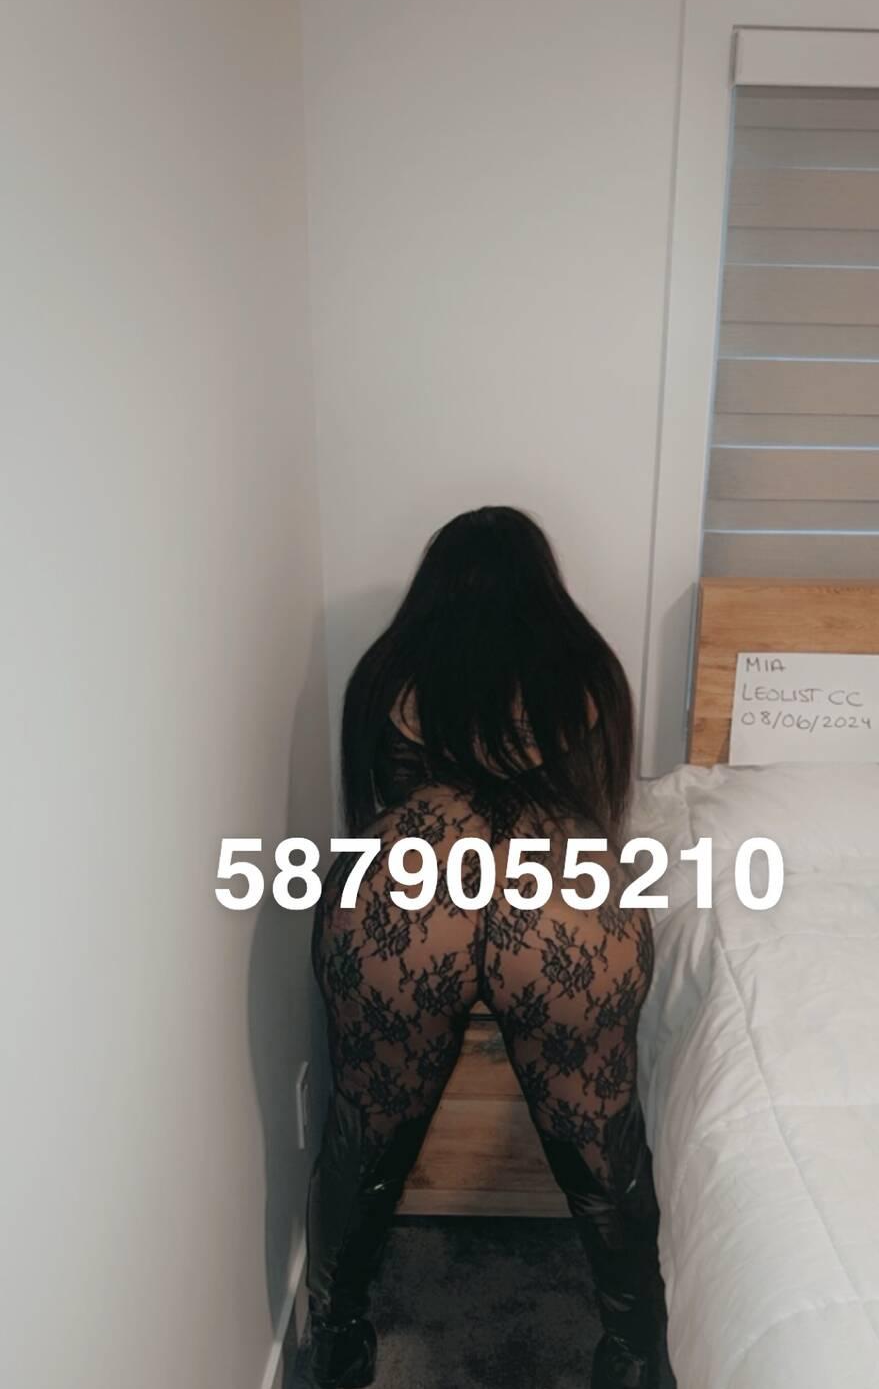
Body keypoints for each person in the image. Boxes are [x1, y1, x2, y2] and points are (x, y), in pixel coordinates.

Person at [304, 506, 664, 1389]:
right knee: (601, 1129)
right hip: (558, 898)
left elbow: (371, 810)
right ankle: (631, 1349)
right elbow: (601, 815)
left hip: (409, 889)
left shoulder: (384, 669)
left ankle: (337, 1335)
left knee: (366, 1121)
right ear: (546, 585)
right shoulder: (592, 671)